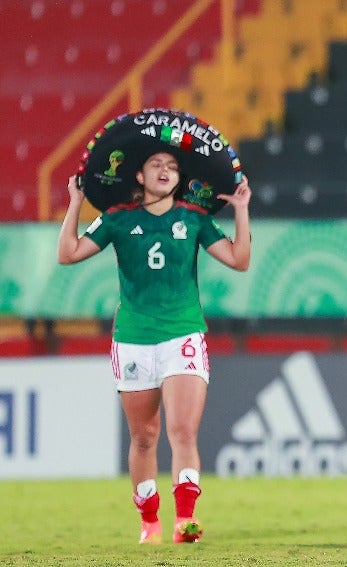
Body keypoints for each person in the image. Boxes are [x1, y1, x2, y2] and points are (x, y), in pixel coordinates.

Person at [57, 150, 252, 544]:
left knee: (182, 431)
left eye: (173, 167)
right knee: (144, 436)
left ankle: (185, 521)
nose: (166, 171)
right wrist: (76, 204)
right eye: (156, 165)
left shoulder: (195, 218)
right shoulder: (116, 218)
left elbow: (239, 259)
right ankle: (149, 522)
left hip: (182, 332)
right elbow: (68, 254)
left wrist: (242, 210)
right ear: (140, 176)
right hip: (132, 337)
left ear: (180, 178)